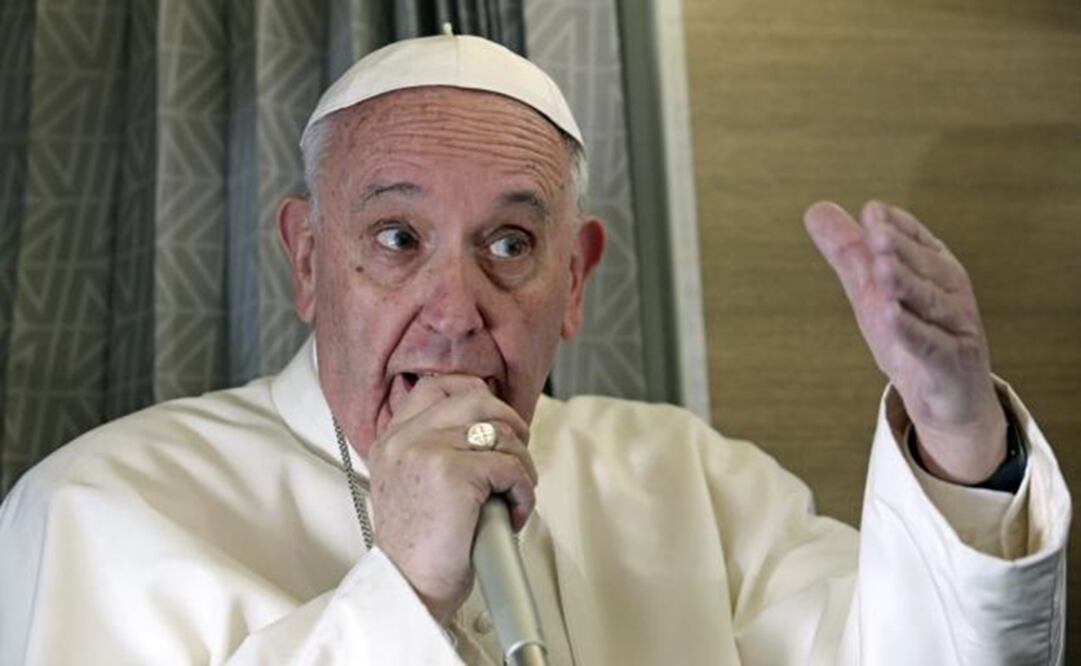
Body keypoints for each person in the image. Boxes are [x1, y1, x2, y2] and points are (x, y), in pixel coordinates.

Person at [0, 30, 1069, 665]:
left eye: (509, 243)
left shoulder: (689, 479)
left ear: (576, 279)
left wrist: (958, 437)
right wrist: (402, 590)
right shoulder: (100, 509)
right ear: (309, 260)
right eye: (397, 238)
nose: (454, 310)